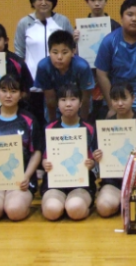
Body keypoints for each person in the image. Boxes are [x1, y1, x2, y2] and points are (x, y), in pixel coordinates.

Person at [0, 74, 42, 222]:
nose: (8, 95)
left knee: (15, 211)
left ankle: (12, 201)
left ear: (21, 94)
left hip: (20, 180)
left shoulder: (29, 120)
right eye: (4, 91)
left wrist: (26, 176)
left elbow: (36, 152)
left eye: (13, 91)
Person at [14, 0, 75, 128]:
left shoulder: (62, 21)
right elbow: (19, 53)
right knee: (36, 123)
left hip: (59, 82)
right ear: (33, 1)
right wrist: (23, 82)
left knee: (58, 123)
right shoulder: (24, 23)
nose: (43, 3)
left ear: (53, 1)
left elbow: (72, 50)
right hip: (33, 83)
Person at [93, 83, 136, 218]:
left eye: (124, 98)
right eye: (115, 99)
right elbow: (97, 159)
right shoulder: (104, 126)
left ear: (133, 98)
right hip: (113, 182)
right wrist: (97, 157)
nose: (120, 103)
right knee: (103, 207)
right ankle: (120, 201)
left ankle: (125, 201)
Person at [41, 84, 97, 221]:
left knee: (75, 208)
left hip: (81, 183)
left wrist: (91, 163)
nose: (68, 104)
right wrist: (45, 164)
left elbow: (95, 157)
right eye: (63, 100)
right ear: (57, 103)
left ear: (81, 103)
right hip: (54, 183)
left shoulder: (90, 128)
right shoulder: (49, 128)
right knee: (51, 210)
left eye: (73, 99)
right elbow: (43, 156)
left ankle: (79, 206)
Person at [33, 30, 93, 123]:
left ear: (73, 51)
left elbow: (85, 99)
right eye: (55, 52)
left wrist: (83, 123)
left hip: (79, 108)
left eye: (64, 52)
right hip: (55, 110)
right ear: (49, 52)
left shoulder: (82, 67)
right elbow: (50, 100)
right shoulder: (43, 67)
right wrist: (53, 124)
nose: (59, 57)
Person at [82, 0, 121, 119]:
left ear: (106, 0)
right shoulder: (80, 28)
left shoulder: (115, 26)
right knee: (90, 116)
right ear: (87, 1)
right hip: (90, 78)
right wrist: (75, 41)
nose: (97, 4)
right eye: (92, 0)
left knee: (110, 115)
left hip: (111, 77)